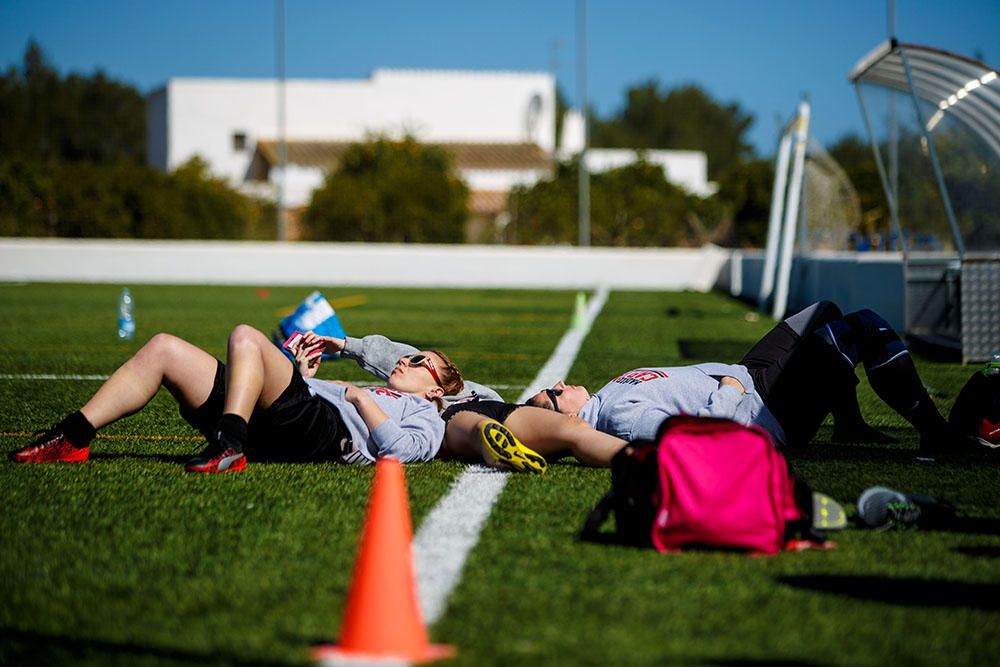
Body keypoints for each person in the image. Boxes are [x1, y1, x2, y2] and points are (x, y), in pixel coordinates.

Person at [9, 324, 464, 472]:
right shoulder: (378, 388)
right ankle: (73, 437)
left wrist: (356, 397)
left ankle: (230, 442)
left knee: (246, 335)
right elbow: (318, 394)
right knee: (164, 346)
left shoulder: (429, 416)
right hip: (294, 414)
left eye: (419, 360)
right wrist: (307, 377)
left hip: (328, 433)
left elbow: (398, 453)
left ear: (436, 389)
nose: (404, 360)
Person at [526, 301, 961, 454]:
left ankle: (850, 425)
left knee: (823, 310)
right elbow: (705, 438)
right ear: (569, 423)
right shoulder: (619, 420)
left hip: (752, 376)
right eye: (551, 395)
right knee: (864, 326)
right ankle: (934, 431)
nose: (558, 383)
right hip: (766, 410)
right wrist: (730, 393)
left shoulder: (607, 395)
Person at [296, 331, 630, 473]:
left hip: (506, 418)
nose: (555, 385)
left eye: (558, 393)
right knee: (473, 422)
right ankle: (492, 445)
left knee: (573, 430)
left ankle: (645, 460)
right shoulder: (458, 396)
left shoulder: (502, 401)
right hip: (458, 422)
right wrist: (345, 344)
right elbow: (401, 357)